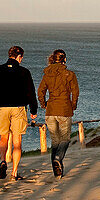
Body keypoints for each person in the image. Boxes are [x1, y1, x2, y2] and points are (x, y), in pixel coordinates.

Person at [0, 45, 38, 181]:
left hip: (2, 108)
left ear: (9, 55)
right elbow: (31, 93)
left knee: (3, 138)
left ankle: (3, 161)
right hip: (19, 108)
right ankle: (14, 172)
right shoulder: (25, 72)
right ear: (19, 57)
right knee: (17, 142)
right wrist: (33, 111)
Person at [37, 49, 79, 178]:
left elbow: (40, 92)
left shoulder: (46, 74)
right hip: (64, 109)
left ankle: (57, 171)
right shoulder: (69, 74)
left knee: (55, 141)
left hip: (51, 110)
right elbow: (75, 92)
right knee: (65, 138)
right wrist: (73, 105)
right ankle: (58, 159)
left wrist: (44, 104)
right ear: (64, 59)